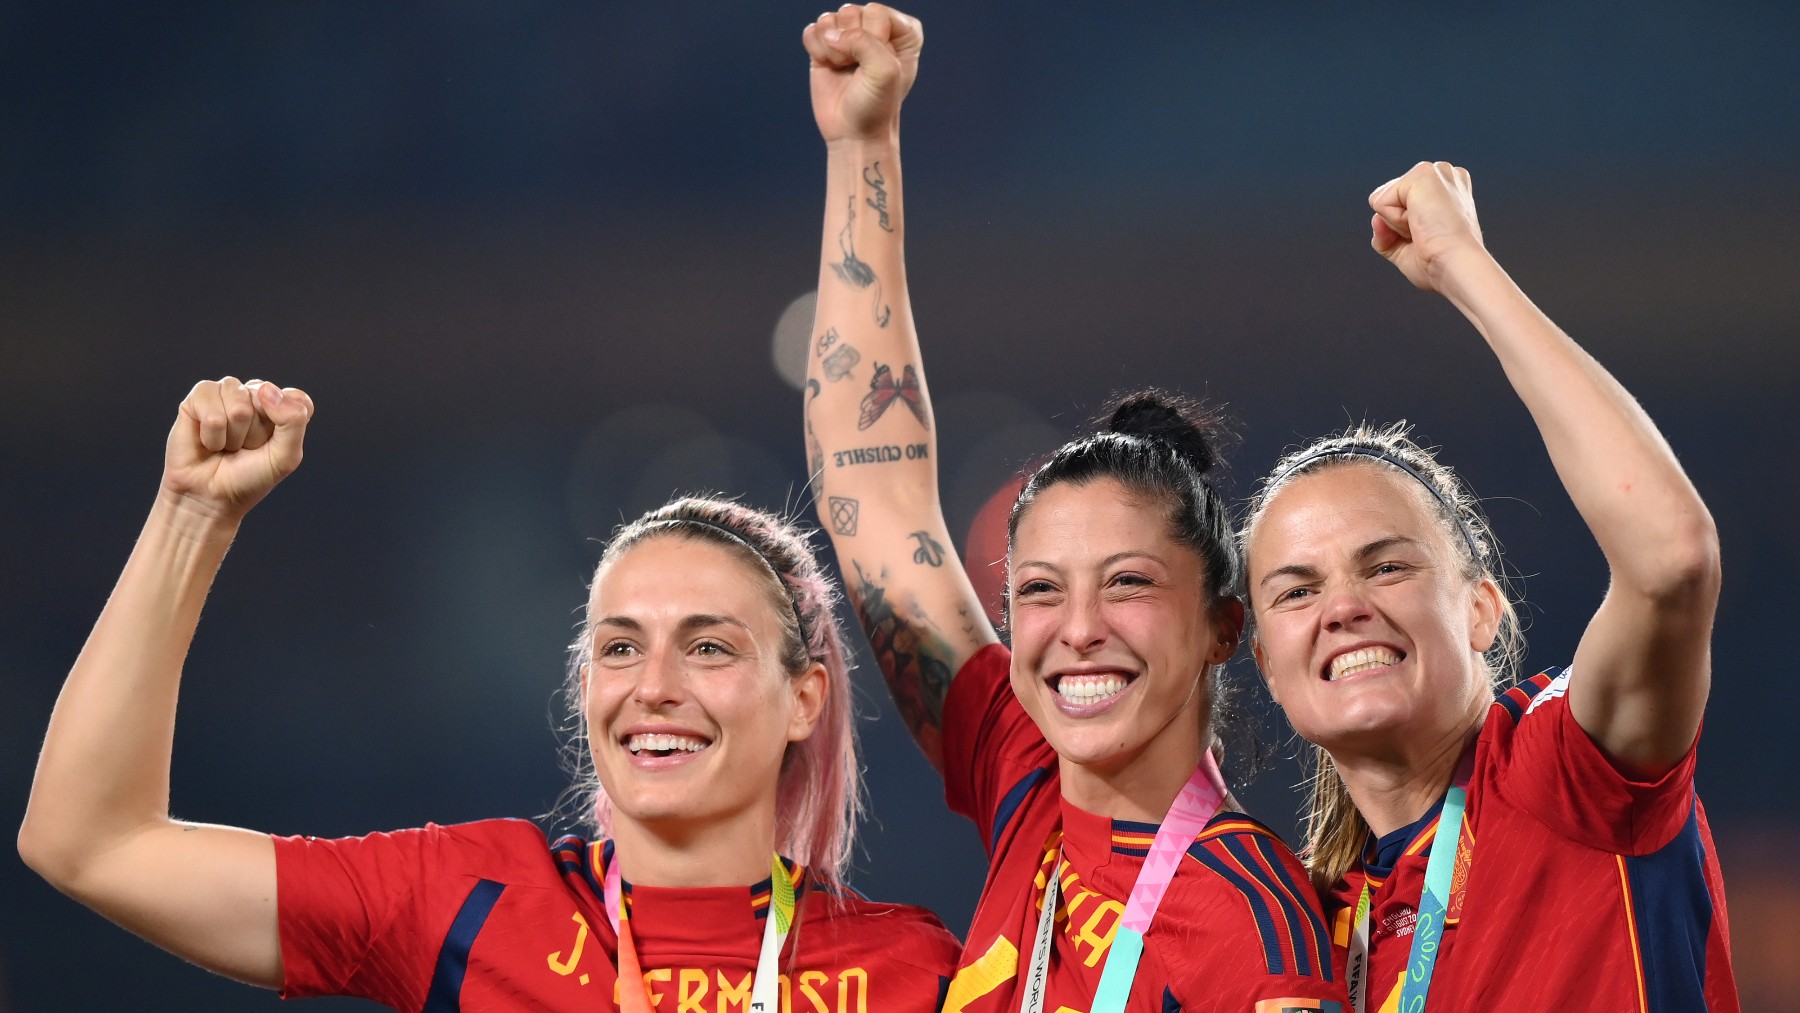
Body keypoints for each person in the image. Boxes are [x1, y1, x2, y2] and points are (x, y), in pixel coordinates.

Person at [17, 376, 959, 1010]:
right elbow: (88, 840)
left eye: (708, 646)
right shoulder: (468, 902)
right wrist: (191, 517)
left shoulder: (910, 971)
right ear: (585, 683)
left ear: (804, 698)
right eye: (620, 647)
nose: (655, 688)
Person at [801, 7, 1346, 1011]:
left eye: (1129, 583)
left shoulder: (1254, 924)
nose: (1078, 630)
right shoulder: (1025, 779)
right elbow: (870, 491)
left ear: (1226, 623)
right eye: (1040, 590)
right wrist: (862, 146)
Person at [1240, 163, 1739, 1011]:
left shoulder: (1569, 775)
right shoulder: (1304, 939)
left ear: (1481, 607)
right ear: (1266, 664)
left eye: (1386, 564)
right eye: (1296, 591)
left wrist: (1462, 266)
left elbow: (1671, 559)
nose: (1342, 609)